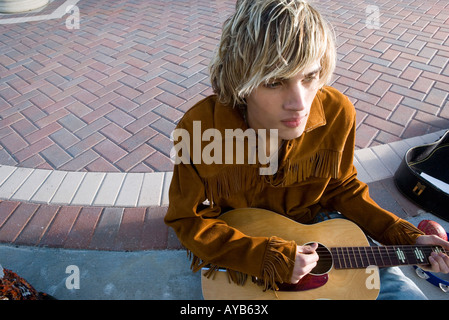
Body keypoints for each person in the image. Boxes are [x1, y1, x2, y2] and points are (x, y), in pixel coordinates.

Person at [164, 0, 449, 299]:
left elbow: (342, 187)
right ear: (241, 80)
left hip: (326, 233)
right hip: (244, 242)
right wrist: (263, 256)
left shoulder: (337, 112)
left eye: (310, 77)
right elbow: (188, 219)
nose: (299, 103)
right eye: (275, 82)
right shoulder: (201, 127)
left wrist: (407, 237)